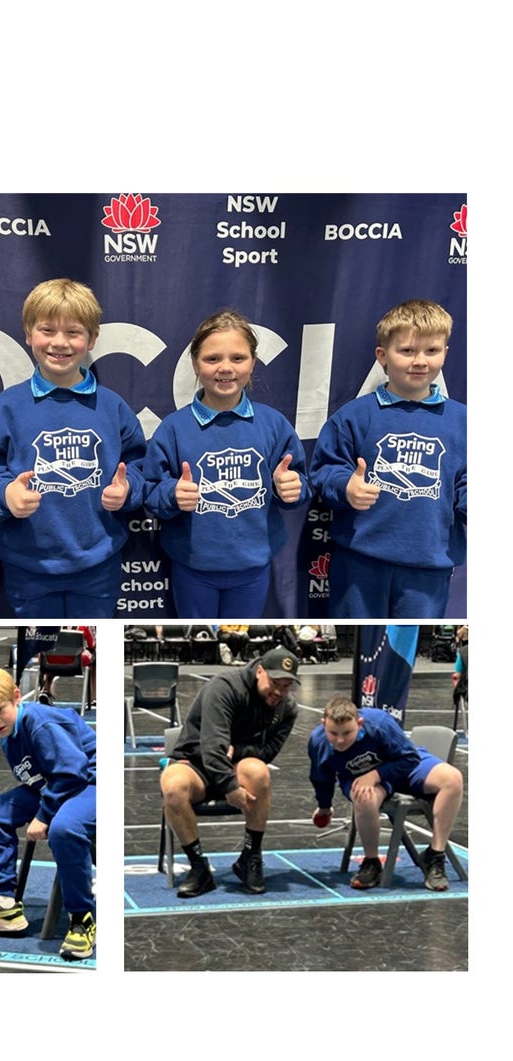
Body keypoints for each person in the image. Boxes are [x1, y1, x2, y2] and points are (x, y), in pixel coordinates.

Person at [0, 278, 147, 618]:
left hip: (98, 566)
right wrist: (6, 496)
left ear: (92, 339)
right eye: (48, 330)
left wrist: (128, 491)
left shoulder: (112, 407)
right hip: (29, 567)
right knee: (43, 652)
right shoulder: (8, 407)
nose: (59, 342)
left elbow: (139, 469)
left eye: (73, 332)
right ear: (28, 333)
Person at [143, 310, 310, 618]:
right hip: (193, 567)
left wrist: (293, 489)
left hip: (253, 568)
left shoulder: (273, 424)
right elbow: (150, 491)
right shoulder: (174, 428)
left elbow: (300, 484)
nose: (225, 368)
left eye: (237, 358)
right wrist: (171, 495)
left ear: (253, 363)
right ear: (195, 364)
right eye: (212, 359)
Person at [309, 299, 466, 618]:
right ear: (383, 356)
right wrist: (345, 488)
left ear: (445, 354)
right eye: (407, 351)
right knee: (359, 648)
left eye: (431, 351)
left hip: (428, 568)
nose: (420, 361)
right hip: (360, 564)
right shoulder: (354, 416)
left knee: (401, 648)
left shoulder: (464, 421)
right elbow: (324, 470)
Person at [0, 667, 96, 961]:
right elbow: (39, 777)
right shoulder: (8, 733)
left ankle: (82, 919)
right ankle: (4, 901)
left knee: (63, 829)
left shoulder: (39, 723)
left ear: (16, 697)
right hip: (54, 784)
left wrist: (44, 815)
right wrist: (44, 806)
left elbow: (72, 773)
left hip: (91, 782)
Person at [160, 646, 300, 897]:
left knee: (259, 772)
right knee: (171, 784)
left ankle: (250, 857)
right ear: (260, 671)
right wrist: (230, 787)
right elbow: (213, 748)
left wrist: (240, 750)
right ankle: (199, 868)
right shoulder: (224, 687)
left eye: (287, 685)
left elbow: (267, 753)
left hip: (236, 765)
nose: (279, 691)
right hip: (197, 763)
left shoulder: (287, 708)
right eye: (275, 682)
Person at [308, 696, 464, 891]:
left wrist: (376, 774)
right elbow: (321, 777)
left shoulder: (380, 722)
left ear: (360, 723)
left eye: (347, 733)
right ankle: (372, 862)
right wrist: (324, 806)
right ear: (323, 725)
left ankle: (435, 854)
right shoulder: (318, 742)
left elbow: (409, 758)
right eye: (333, 733)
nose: (340, 740)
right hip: (360, 778)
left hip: (402, 767)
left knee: (452, 779)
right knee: (364, 797)